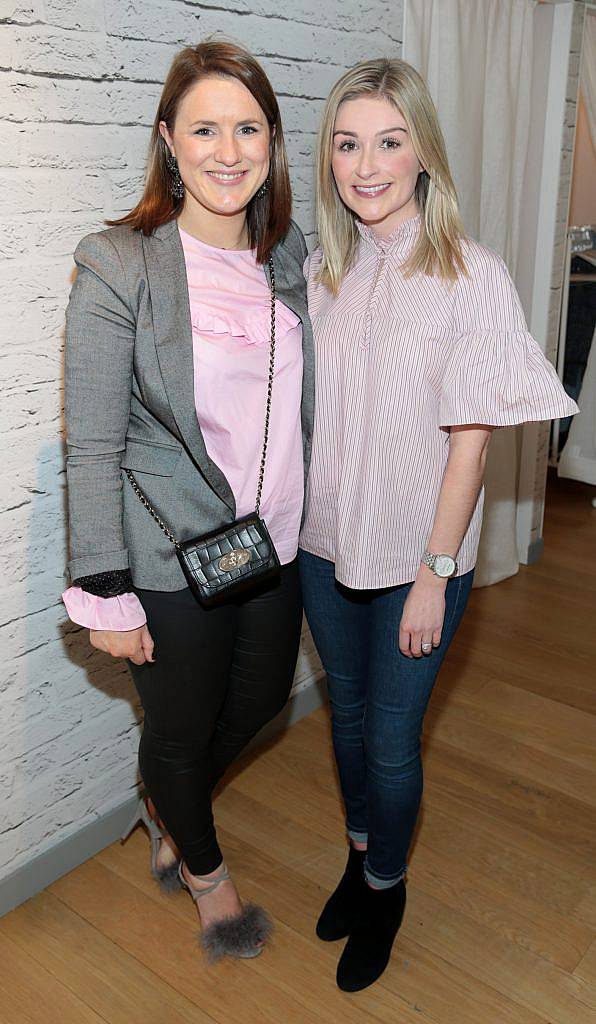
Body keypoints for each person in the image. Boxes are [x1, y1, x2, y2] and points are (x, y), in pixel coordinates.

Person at [298, 58, 578, 992]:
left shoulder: (471, 274)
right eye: (348, 143)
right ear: (329, 158)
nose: (366, 164)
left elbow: (470, 446)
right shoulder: (323, 271)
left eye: (388, 141)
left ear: (423, 152)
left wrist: (435, 569)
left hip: (422, 558)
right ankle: (356, 852)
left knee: (388, 739)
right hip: (325, 543)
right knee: (342, 723)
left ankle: (386, 886)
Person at [62, 39, 314, 961]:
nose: (228, 148)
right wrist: (106, 591)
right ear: (169, 140)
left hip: (271, 541)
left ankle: (166, 800)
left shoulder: (287, 261)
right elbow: (90, 439)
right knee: (177, 726)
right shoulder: (120, 262)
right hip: (168, 554)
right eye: (204, 127)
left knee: (254, 704)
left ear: (272, 141)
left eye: (248, 127)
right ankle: (205, 873)